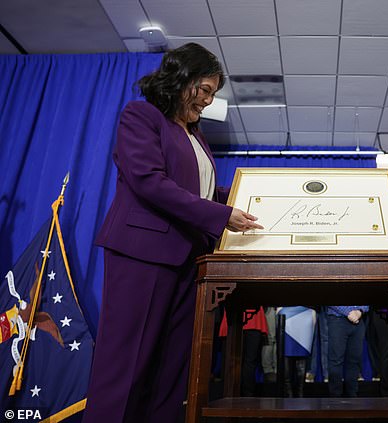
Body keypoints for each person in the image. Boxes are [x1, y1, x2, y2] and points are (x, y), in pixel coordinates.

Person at [83, 43, 263, 423]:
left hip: (188, 262)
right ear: (180, 79)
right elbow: (149, 181)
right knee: (127, 364)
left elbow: (197, 190)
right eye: (204, 90)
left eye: (213, 94)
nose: (208, 101)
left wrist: (247, 195)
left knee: (171, 372)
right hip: (142, 254)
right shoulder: (142, 115)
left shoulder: (196, 135)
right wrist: (221, 213)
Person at [326, 305, 368, 397]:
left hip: (358, 320)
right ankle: (335, 398)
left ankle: (352, 396)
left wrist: (360, 311)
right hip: (337, 319)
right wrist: (348, 313)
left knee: (354, 361)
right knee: (336, 360)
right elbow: (329, 296)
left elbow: (367, 296)